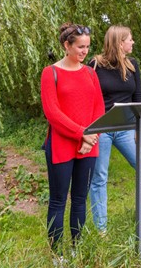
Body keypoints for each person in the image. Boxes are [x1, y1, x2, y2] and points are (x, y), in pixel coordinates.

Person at [88, 25, 141, 232]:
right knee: (99, 179)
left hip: (126, 128)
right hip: (102, 129)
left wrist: (137, 128)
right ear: (119, 42)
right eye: (130, 39)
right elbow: (89, 99)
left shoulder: (132, 64)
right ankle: (101, 230)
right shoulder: (95, 65)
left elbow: (137, 97)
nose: (133, 43)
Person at [40, 22, 105, 251]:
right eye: (80, 47)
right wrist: (82, 135)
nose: (85, 52)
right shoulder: (51, 73)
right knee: (58, 201)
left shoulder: (89, 73)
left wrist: (92, 137)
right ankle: (57, 255)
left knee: (79, 200)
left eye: (87, 47)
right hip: (62, 145)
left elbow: (99, 107)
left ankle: (77, 249)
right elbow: (53, 113)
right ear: (66, 45)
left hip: (89, 145)